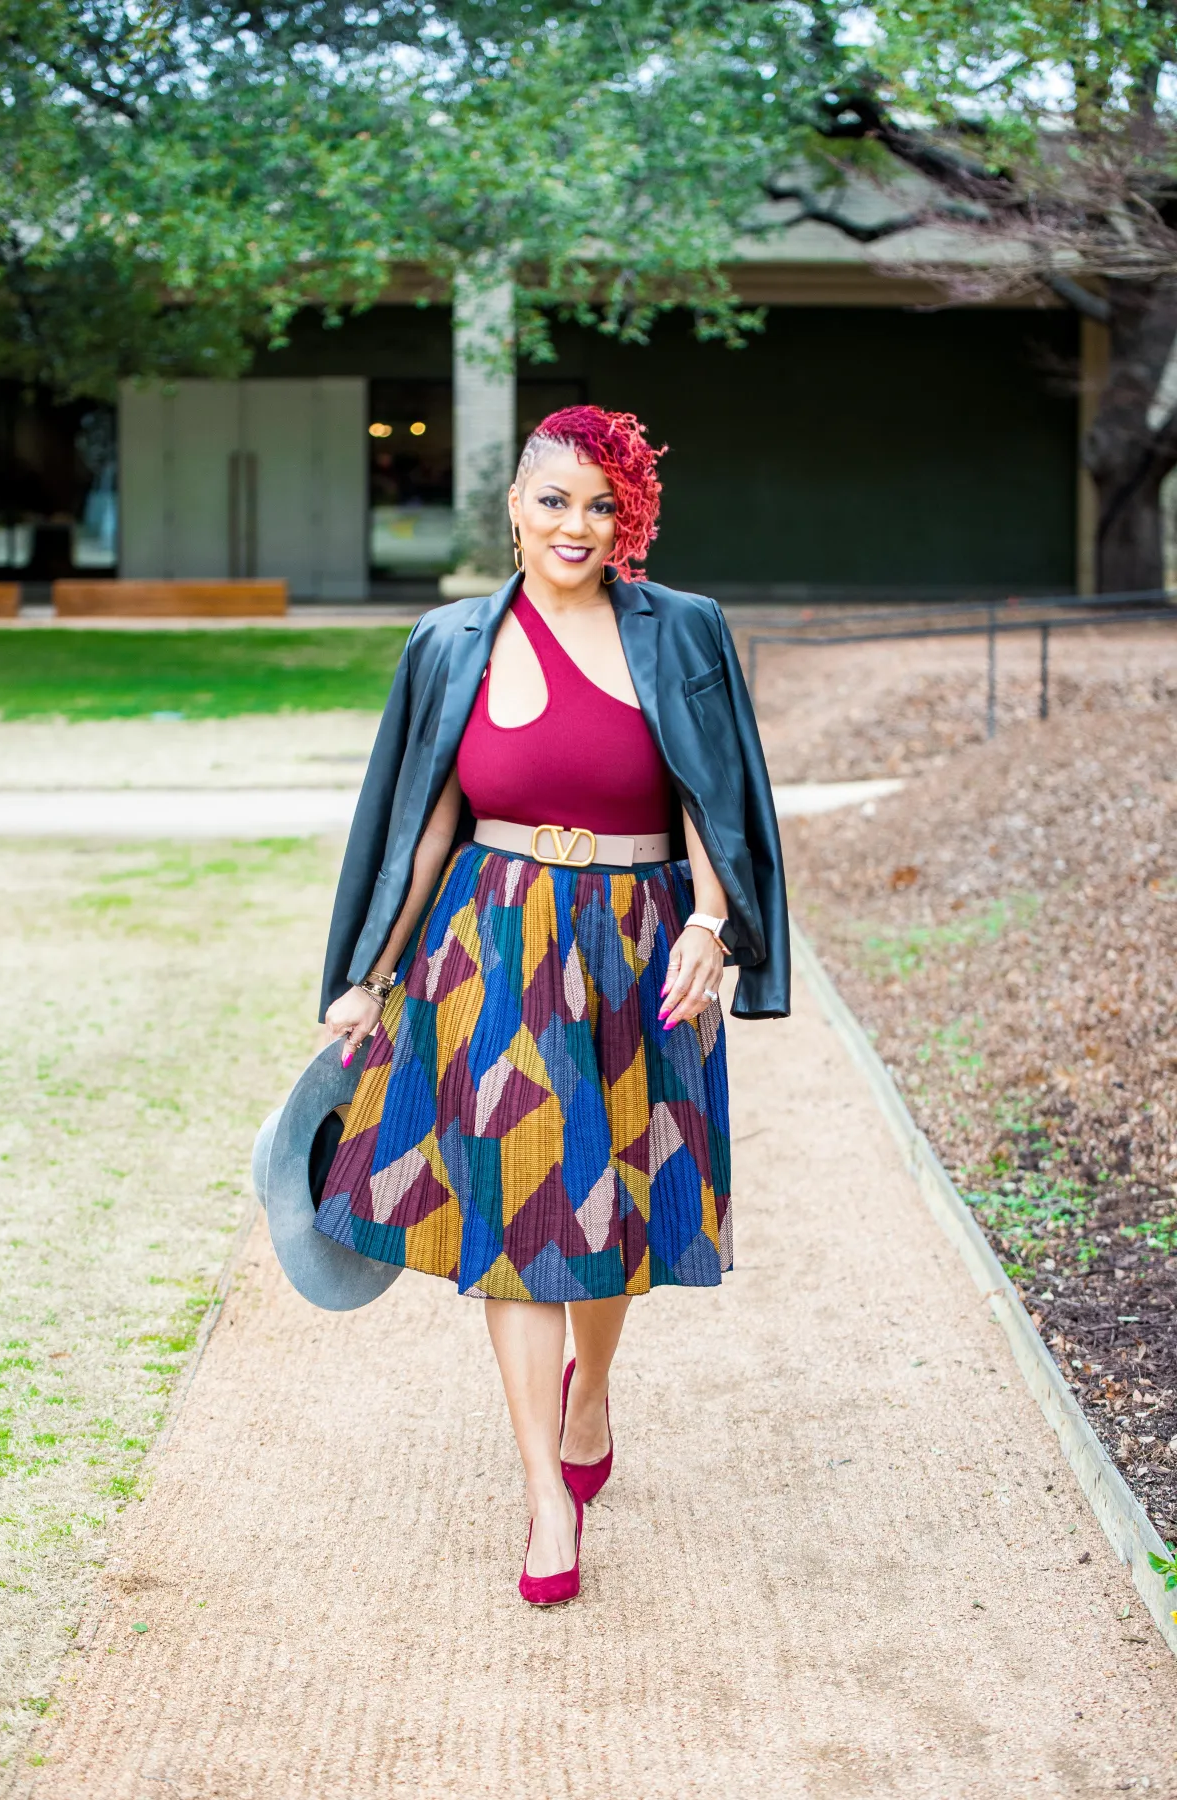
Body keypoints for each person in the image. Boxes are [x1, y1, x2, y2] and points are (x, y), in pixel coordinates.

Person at [315, 406, 789, 1605]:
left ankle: (594, 1390)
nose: (577, 525)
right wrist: (369, 977)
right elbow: (422, 828)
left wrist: (709, 923)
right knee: (524, 1213)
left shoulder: (683, 628)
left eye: (602, 505)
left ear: (629, 518)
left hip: (643, 943)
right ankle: (544, 1500)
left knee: (609, 1209)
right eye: (555, 501)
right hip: (494, 946)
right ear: (515, 510)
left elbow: (713, 794)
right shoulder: (450, 641)